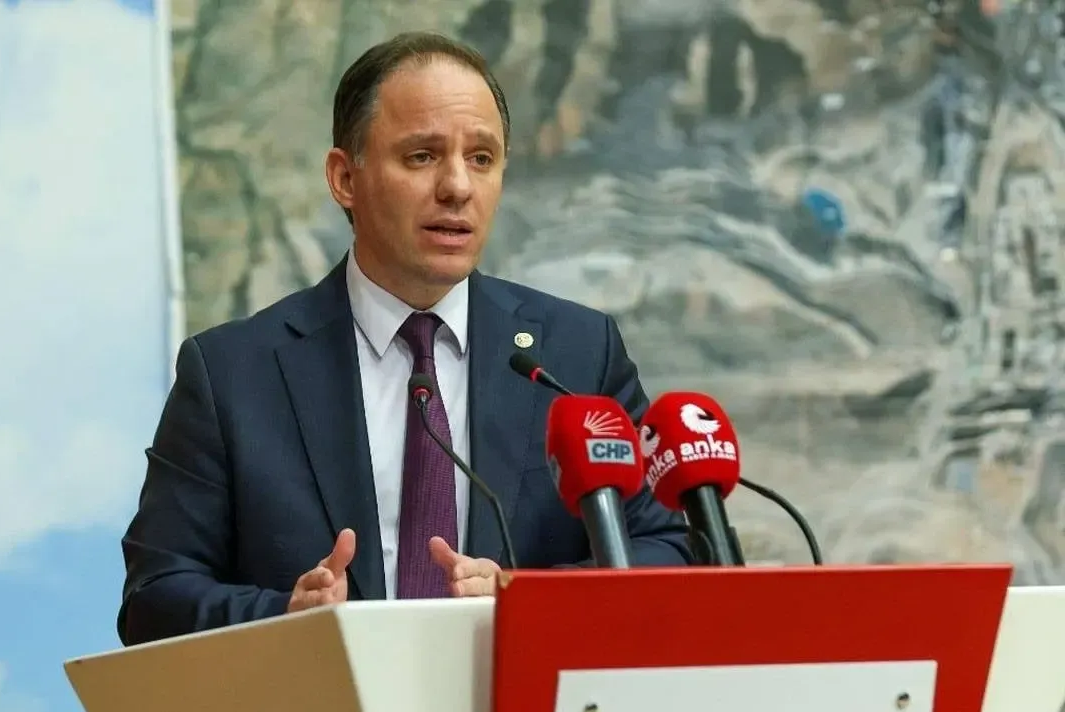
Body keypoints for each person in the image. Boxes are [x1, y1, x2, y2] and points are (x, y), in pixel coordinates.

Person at [117, 31, 690, 646]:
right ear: (345, 178)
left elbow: (668, 549)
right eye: (422, 156)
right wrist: (284, 614)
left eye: (482, 158)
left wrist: (524, 599)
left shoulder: (576, 354)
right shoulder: (232, 374)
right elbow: (155, 597)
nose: (458, 187)